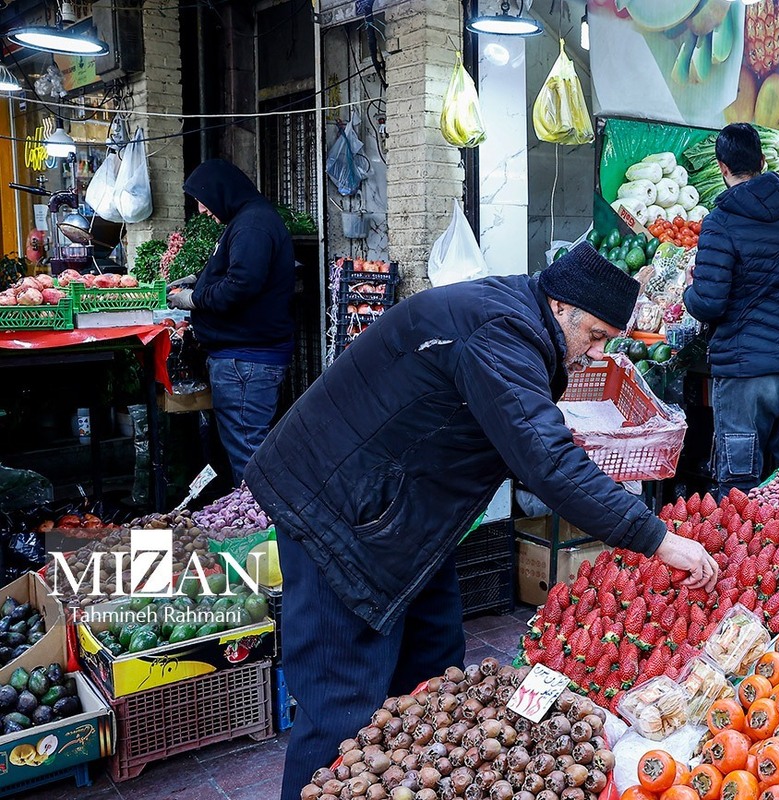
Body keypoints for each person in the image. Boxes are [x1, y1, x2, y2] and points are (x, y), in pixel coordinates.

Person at [243, 244, 719, 800]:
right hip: (337, 512)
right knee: (341, 703)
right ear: (560, 306)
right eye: (592, 336)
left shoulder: (517, 318)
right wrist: (658, 539)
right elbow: (547, 460)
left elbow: (527, 430)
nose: (594, 353)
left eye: (606, 341)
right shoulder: (500, 333)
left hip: (402, 518)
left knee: (436, 670)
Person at [682, 123, 779, 496]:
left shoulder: (720, 223)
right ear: (762, 161)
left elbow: (709, 303)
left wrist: (688, 290)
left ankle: (746, 555)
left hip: (746, 377)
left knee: (740, 490)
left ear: (722, 167)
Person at [167, 159, 295, 483]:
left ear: (221, 191)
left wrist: (194, 299)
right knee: (247, 452)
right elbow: (234, 270)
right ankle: (259, 524)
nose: (202, 210)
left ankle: (263, 530)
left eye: (203, 200)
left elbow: (242, 284)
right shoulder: (245, 221)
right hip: (243, 360)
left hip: (246, 362)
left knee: (250, 457)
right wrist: (198, 278)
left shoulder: (253, 224)